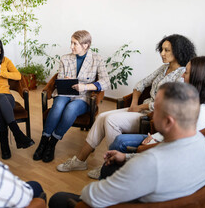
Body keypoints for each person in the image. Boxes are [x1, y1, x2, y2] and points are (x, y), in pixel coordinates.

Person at [49, 82, 205, 208]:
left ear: (168, 121)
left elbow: (92, 197)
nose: (150, 114)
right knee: (110, 166)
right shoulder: (203, 144)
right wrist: (127, 156)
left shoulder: (149, 163)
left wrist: (94, 189)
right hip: (169, 196)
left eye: (155, 108)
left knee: (57, 199)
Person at [56, 34, 196, 178]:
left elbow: (167, 104)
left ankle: (110, 166)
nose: (162, 53)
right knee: (102, 117)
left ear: (178, 52)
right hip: (141, 108)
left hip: (152, 115)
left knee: (110, 121)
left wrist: (141, 108)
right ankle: (80, 160)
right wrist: (135, 103)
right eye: (162, 49)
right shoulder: (163, 68)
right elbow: (140, 84)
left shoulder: (182, 75)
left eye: (167, 50)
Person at [110, 56, 205, 153]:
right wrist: (154, 137)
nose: (183, 75)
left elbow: (178, 144)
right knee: (116, 135)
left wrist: (153, 141)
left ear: (197, 78)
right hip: (164, 139)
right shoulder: (204, 102)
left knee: (119, 141)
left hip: (169, 148)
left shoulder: (200, 111)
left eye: (186, 72)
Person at [33, 30, 110, 163]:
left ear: (85, 45)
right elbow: (60, 78)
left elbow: (106, 82)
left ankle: (52, 144)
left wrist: (85, 86)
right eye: (71, 43)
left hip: (83, 96)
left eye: (75, 44)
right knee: (57, 107)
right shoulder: (65, 58)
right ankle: (43, 141)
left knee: (70, 110)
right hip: (65, 92)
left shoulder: (97, 59)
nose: (71, 46)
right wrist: (68, 80)